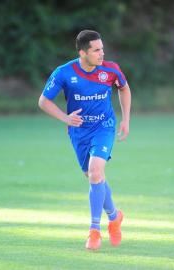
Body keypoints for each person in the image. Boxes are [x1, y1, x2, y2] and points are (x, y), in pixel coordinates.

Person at [38, 30, 131, 250]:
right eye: (96, 50)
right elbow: (43, 101)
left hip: (104, 127)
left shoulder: (111, 69)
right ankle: (115, 216)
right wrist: (65, 118)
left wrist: (125, 119)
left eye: (102, 48)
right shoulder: (64, 73)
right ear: (82, 53)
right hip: (79, 132)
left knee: (96, 171)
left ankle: (94, 231)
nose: (102, 54)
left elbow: (124, 89)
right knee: (93, 177)